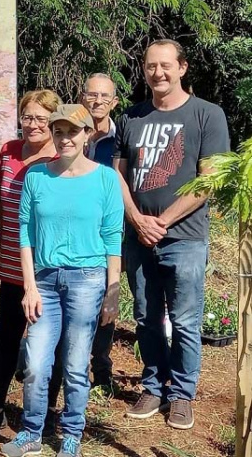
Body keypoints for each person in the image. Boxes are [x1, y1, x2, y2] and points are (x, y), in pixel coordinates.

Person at [116, 39, 229, 430]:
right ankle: (153, 385)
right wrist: (136, 218)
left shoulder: (207, 115)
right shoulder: (132, 117)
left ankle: (182, 394)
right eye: (150, 66)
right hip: (138, 237)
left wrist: (161, 221)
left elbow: (209, 180)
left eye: (165, 65)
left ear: (182, 68)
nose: (157, 73)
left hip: (184, 238)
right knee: (146, 318)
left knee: (184, 320)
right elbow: (118, 173)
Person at [0, 104, 123, 457]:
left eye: (73, 131)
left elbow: (113, 237)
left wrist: (112, 292)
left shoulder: (105, 179)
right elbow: (25, 235)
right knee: (37, 363)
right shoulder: (37, 177)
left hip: (87, 280)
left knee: (74, 362)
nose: (65, 138)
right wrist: (29, 287)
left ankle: (71, 434)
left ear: (87, 135)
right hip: (44, 280)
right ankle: (31, 432)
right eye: (59, 131)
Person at [0, 90, 59, 433]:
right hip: (10, 264)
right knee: (6, 339)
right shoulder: (9, 151)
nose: (33, 125)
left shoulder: (61, 156)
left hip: (48, 268)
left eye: (41, 119)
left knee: (49, 346)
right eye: (28, 117)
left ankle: (44, 414)